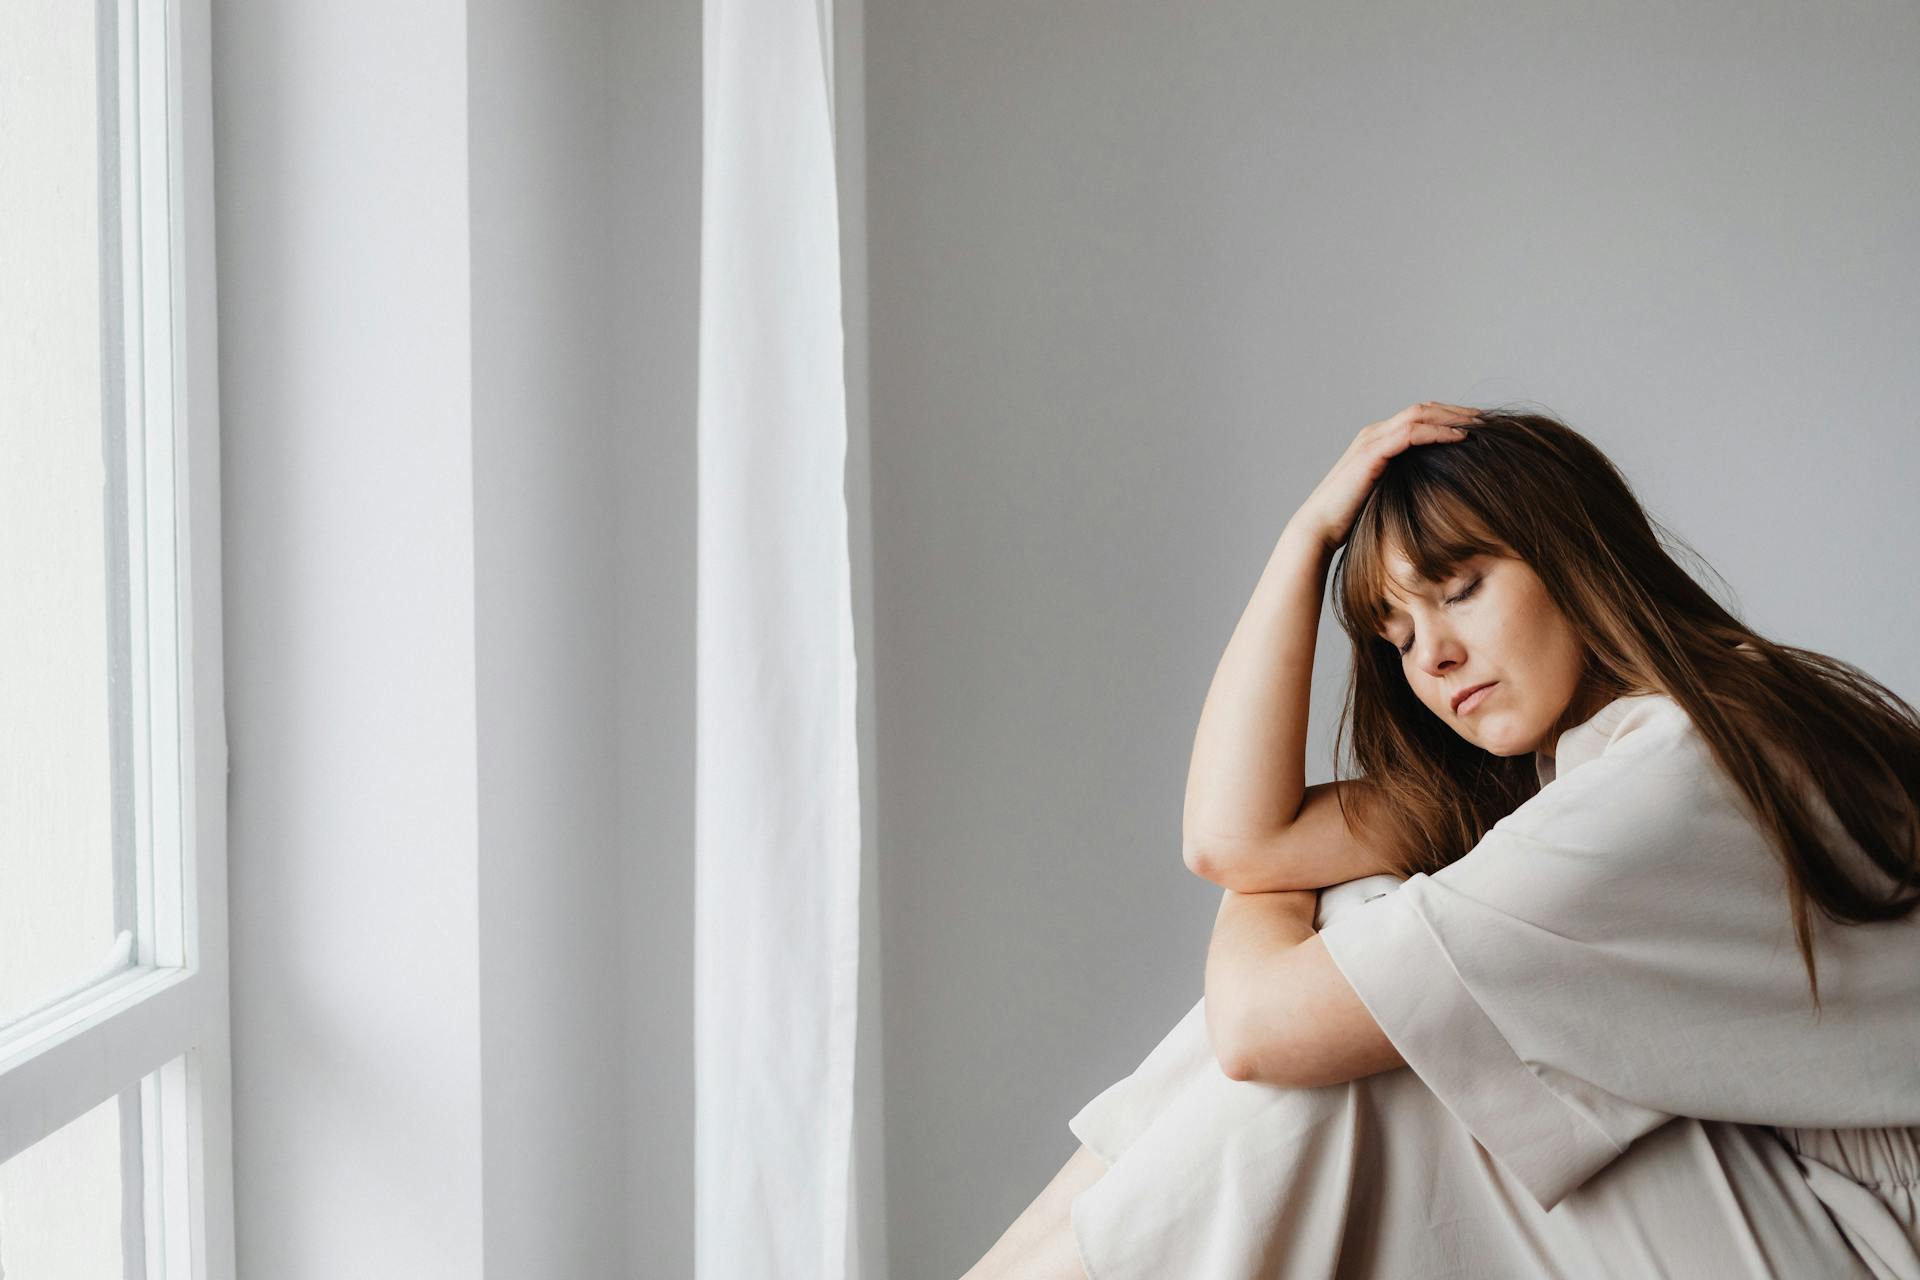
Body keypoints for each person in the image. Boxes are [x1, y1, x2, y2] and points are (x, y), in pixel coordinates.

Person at [960, 403, 1920, 1279]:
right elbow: (1232, 840)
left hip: (1867, 1242)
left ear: (1574, 556)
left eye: (1459, 588)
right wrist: (1303, 542)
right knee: (1369, 961)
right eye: (1393, 632)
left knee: (1365, 1023)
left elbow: (1256, 1026)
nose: (1433, 656)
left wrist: (1279, 884)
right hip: (1798, 1203)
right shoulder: (1584, 762)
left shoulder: (1679, 772)